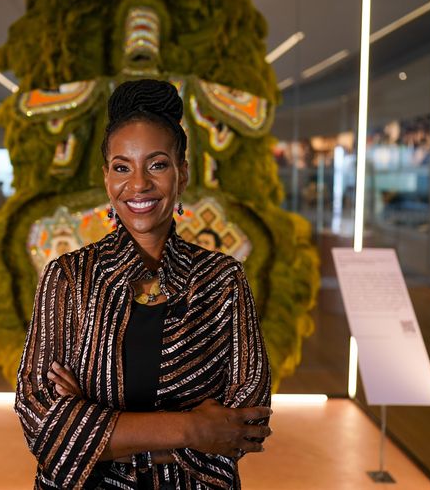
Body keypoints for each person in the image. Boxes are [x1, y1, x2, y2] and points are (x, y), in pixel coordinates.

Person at [15, 79, 272, 489]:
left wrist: (91, 428)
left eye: (157, 165)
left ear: (182, 173)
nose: (138, 185)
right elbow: (41, 422)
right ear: (106, 178)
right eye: (122, 167)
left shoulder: (223, 280)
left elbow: (246, 423)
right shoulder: (68, 277)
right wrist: (192, 429)